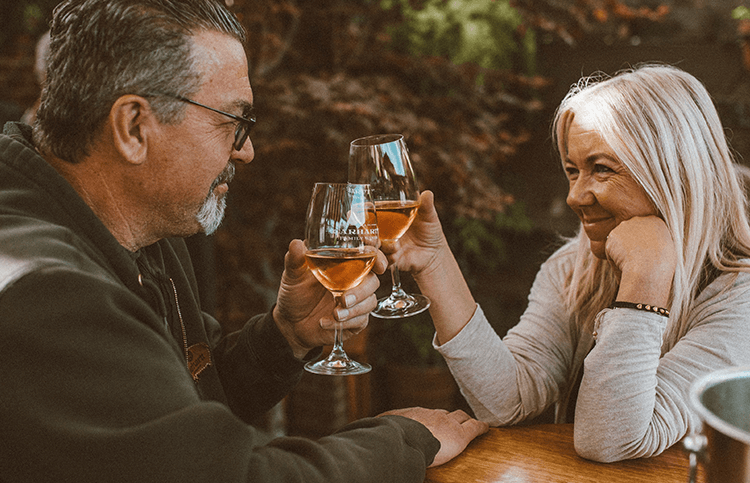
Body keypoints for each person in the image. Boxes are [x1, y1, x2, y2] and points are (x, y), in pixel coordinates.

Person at [0, 1, 488, 482]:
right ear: (133, 127)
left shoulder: (138, 231)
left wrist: (284, 337)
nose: (247, 151)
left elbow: (172, 417)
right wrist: (403, 438)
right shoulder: (46, 289)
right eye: (232, 122)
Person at [386, 63, 750, 462]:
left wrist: (645, 278)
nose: (574, 196)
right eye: (572, 171)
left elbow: (612, 439)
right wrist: (435, 264)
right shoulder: (572, 269)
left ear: (672, 174)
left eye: (601, 169)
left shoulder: (739, 298)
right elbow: (507, 399)